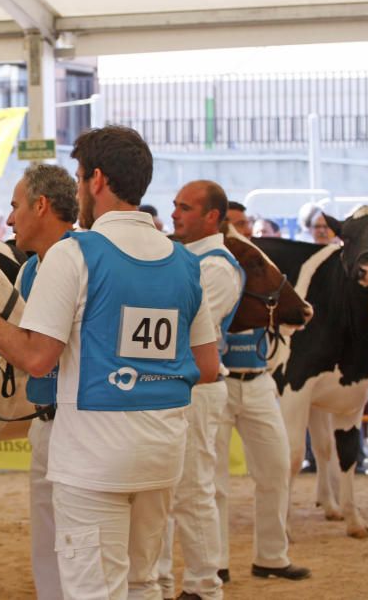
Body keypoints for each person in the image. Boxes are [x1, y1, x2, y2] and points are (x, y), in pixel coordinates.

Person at [0, 126, 220, 599]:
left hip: (95, 455)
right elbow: (207, 366)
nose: (77, 188)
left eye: (79, 177)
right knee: (143, 582)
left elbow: (37, 358)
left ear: (96, 180)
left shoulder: (75, 254)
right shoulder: (183, 262)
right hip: (163, 448)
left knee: (93, 588)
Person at [158, 180, 242, 600]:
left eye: (185, 207)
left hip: (199, 384)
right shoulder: (184, 256)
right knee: (166, 489)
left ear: (212, 216)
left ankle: (205, 586)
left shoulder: (217, 266)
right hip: (175, 382)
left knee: (193, 490)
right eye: (175, 205)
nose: (175, 214)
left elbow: (180, 322)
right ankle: (162, 580)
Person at [214, 239, 312, 584]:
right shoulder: (217, 275)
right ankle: (216, 562)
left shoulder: (263, 278)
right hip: (221, 384)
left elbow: (291, 319)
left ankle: (272, 556)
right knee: (214, 481)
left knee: (276, 467)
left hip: (258, 381)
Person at [6, 163, 78, 600]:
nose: (10, 218)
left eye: (16, 206)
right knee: (48, 538)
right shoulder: (29, 271)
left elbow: (33, 354)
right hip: (46, 419)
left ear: (41, 205)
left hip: (84, 420)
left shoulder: (87, 258)